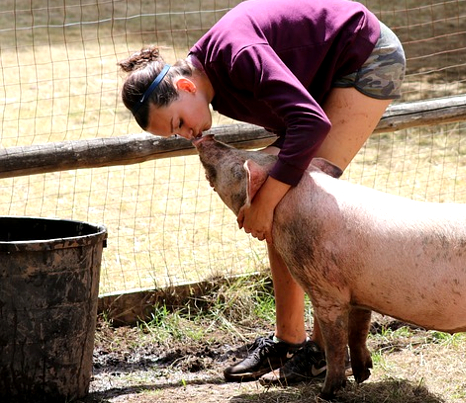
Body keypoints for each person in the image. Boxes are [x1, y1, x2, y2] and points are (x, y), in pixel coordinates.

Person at [118, 0, 405, 386]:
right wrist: (263, 201)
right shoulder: (210, 81)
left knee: (296, 199)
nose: (187, 135)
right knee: (269, 195)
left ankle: (323, 353)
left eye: (178, 123)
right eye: (176, 133)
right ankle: (289, 340)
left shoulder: (237, 57)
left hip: (366, 55)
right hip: (324, 74)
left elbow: (310, 123)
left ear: (185, 86)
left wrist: (265, 205)